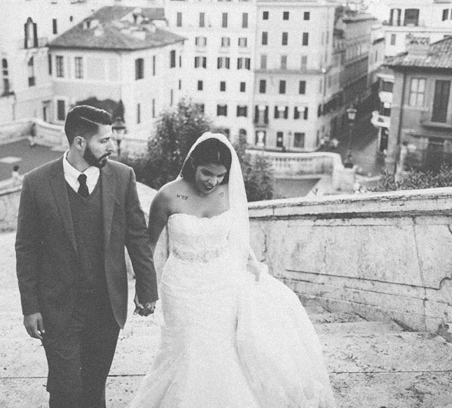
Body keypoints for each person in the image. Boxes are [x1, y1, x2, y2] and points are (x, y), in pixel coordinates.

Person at [127, 132, 336, 408]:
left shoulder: (229, 193)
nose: (212, 181)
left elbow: (237, 238)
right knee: (186, 348)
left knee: (220, 349)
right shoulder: (167, 196)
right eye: (206, 173)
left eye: (219, 175)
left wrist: (251, 267)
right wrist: (145, 289)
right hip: (180, 285)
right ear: (192, 165)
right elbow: (148, 245)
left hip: (221, 282)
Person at [15, 105, 158, 408]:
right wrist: (30, 306)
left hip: (106, 306)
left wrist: (147, 289)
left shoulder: (122, 177)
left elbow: (137, 237)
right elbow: (26, 247)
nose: (112, 145)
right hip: (58, 308)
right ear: (80, 142)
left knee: (94, 387)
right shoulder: (37, 183)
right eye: (103, 140)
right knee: (66, 388)